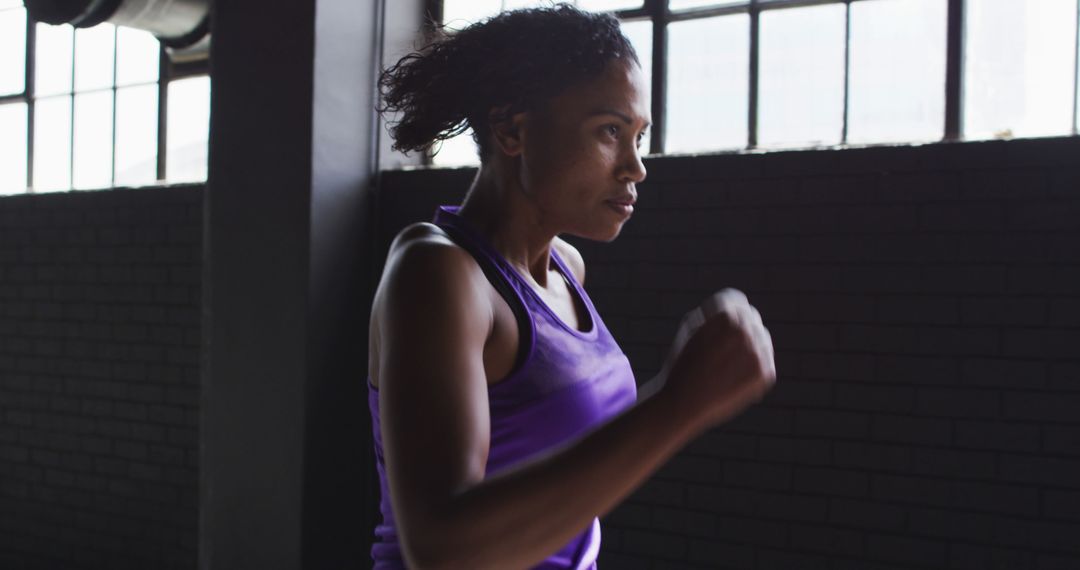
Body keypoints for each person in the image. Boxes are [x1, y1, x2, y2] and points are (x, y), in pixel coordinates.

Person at [368, 5, 776, 569]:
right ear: (513, 129)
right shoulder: (438, 272)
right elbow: (441, 551)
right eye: (610, 131)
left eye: (639, 136)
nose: (636, 166)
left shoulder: (566, 268)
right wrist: (676, 405)